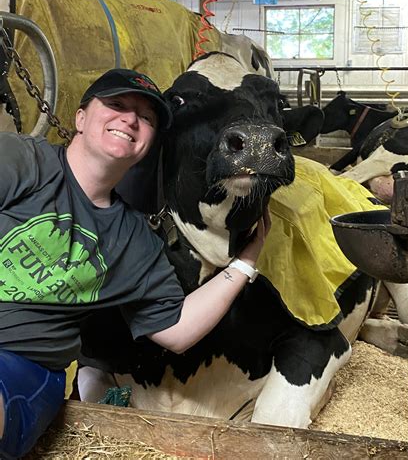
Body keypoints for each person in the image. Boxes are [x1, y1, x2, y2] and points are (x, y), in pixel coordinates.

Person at [0, 67, 270, 459]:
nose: (130, 119)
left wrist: (245, 261)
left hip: (20, 368)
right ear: (80, 117)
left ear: (150, 143)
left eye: (146, 118)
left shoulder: (134, 240)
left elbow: (176, 330)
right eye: (117, 105)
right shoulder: (22, 160)